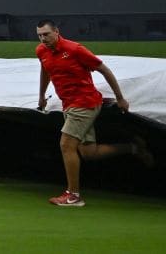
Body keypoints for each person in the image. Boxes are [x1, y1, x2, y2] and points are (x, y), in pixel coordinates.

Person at [35, 20, 153, 207]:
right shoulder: (41, 51)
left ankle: (73, 196)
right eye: (39, 35)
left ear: (57, 32)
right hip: (69, 105)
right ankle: (133, 148)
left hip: (84, 103)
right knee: (89, 152)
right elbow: (45, 71)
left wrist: (120, 98)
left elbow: (104, 70)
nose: (43, 38)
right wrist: (41, 96)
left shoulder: (75, 49)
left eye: (46, 34)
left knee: (66, 145)